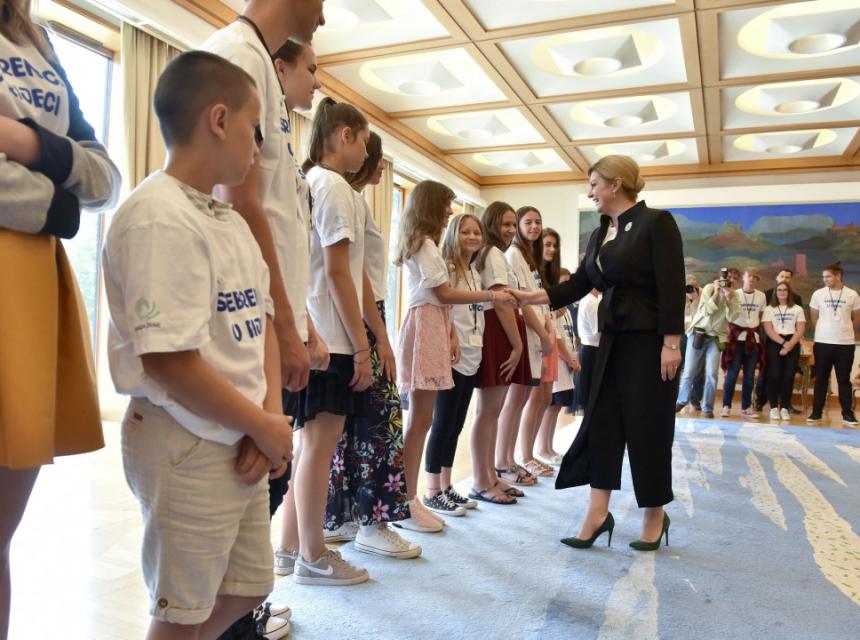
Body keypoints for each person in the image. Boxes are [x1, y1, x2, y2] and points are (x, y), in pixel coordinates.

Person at [102, 51, 290, 638]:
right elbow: (169, 361)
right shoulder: (157, 216)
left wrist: (269, 417)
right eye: (254, 128)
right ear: (219, 120)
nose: (258, 147)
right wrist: (261, 425)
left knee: (249, 586)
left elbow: (261, 323)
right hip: (184, 438)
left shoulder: (229, 220)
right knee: (181, 612)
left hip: (240, 431)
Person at [0, 3, 120, 636]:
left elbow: (103, 175)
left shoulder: (36, 37)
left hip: (29, 289)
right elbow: (78, 196)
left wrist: (22, 141)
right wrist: (61, 207)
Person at [508, 155, 685, 552]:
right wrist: (528, 296)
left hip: (650, 343)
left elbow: (673, 285)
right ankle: (597, 513)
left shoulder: (656, 223)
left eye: (593, 184)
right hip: (609, 343)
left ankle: (654, 513)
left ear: (616, 183)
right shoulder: (600, 232)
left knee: (648, 427)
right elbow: (577, 285)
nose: (590, 192)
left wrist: (671, 343)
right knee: (602, 423)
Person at [394, 181, 515, 527]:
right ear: (431, 206)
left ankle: (411, 497)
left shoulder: (429, 245)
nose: (449, 211)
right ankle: (408, 499)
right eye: (446, 205)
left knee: (425, 421)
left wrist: (448, 331)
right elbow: (443, 294)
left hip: (434, 324)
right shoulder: (424, 244)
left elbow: (440, 300)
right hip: (425, 325)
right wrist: (491, 297)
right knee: (421, 421)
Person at [322, 131, 419, 559]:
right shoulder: (345, 197)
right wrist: (378, 338)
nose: (378, 163)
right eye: (373, 152)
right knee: (379, 421)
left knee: (353, 424)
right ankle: (373, 522)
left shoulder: (351, 199)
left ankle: (345, 517)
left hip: (363, 312)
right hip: (364, 314)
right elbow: (351, 274)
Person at [292, 97, 373, 585]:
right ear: (345, 135)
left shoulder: (312, 181)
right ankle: (312, 555)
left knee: (310, 447)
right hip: (333, 337)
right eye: (363, 141)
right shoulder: (335, 186)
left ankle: (294, 548)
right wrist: (362, 346)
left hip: (318, 329)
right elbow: (340, 271)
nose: (365, 152)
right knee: (319, 449)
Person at [423, 213, 486, 515]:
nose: (472, 237)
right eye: (466, 232)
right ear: (453, 235)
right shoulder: (447, 268)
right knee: (443, 423)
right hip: (452, 355)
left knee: (457, 424)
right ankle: (432, 490)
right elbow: (444, 309)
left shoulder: (474, 272)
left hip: (473, 353)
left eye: (477, 232)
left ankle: (446, 485)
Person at [469, 202, 531, 505]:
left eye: (513, 225)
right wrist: (517, 345)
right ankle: (480, 480)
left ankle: (490, 475)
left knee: (492, 411)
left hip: (500, 329)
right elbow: (502, 303)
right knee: (488, 411)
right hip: (498, 330)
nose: (510, 230)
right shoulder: (492, 254)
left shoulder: (493, 254)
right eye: (505, 224)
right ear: (492, 224)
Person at [497, 206, 554, 485]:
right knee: (514, 400)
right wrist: (543, 336)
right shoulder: (513, 254)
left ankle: (510, 459)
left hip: (535, 335)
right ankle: (502, 462)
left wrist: (545, 332)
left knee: (520, 400)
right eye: (528, 222)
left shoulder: (528, 257)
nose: (534, 227)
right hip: (525, 334)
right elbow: (522, 302)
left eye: (538, 222)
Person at [676, 267, 739, 418]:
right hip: (698, 333)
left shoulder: (735, 295)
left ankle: (708, 408)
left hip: (715, 338)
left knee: (712, 373)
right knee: (689, 371)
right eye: (727, 277)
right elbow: (705, 311)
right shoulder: (709, 288)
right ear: (720, 277)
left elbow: (732, 318)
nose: (728, 280)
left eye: (733, 279)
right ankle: (681, 401)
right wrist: (716, 294)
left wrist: (729, 300)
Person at [807, 262, 859, 426]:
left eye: (828, 276)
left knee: (843, 379)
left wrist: (843, 330)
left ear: (838, 276)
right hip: (823, 343)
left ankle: (847, 414)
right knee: (821, 378)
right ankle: (816, 413)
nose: (825, 279)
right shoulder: (818, 294)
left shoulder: (852, 294)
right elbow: (814, 317)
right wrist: (824, 330)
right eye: (823, 277)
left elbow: (856, 318)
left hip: (845, 344)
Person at [537, 268, 580, 465]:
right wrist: (569, 359)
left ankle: (549, 446)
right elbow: (558, 339)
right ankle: (542, 448)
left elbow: (569, 337)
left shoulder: (566, 310)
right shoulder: (553, 310)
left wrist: (573, 358)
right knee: (551, 407)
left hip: (566, 363)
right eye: (562, 283)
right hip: (558, 362)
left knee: (557, 407)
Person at [756, 267, 804, 412]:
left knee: (788, 375)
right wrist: (780, 342)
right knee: (769, 374)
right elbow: (765, 324)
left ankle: (785, 405)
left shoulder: (796, 301)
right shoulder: (766, 296)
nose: (784, 279)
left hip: (791, 340)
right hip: (771, 339)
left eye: (787, 277)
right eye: (782, 276)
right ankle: (762, 401)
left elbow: (799, 327)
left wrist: (789, 344)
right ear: (777, 278)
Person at [721, 267, 766, 419]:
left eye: (755, 277)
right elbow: (728, 314)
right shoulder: (735, 293)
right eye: (749, 276)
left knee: (749, 376)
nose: (752, 279)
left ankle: (746, 407)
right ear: (744, 278)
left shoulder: (761, 296)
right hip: (736, 339)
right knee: (732, 374)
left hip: (753, 340)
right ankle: (726, 406)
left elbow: (760, 316)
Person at [681, 276, 705, 412]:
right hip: (683, 334)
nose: (689, 289)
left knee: (698, 369)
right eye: (687, 286)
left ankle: (695, 400)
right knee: (680, 368)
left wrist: (695, 299)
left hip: (697, 335)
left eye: (692, 286)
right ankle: (679, 398)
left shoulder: (703, 295)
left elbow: (700, 315)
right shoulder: (681, 294)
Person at [577, 288, 601, 416]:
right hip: (592, 350)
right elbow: (597, 331)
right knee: (592, 393)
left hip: (589, 348)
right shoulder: (592, 301)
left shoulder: (587, 299)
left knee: (589, 392)